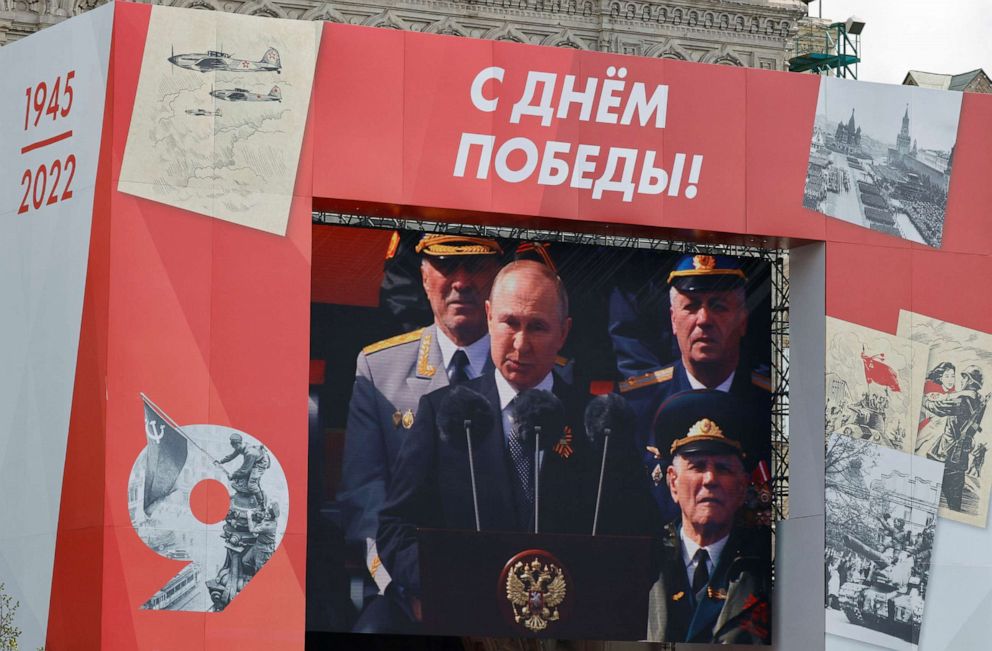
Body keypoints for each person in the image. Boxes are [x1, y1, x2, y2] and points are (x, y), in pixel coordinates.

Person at [376, 260, 655, 630]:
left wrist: (595, 599)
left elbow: (644, 537)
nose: (521, 344)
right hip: (468, 621)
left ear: (563, 333)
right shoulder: (442, 411)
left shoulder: (597, 425)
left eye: (537, 327)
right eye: (510, 323)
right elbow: (396, 527)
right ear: (489, 317)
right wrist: (442, 585)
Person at [336, 233, 503, 586]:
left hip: (505, 576)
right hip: (409, 575)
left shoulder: (535, 368)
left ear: (497, 274)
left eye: (475, 266)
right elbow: (365, 493)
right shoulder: (379, 369)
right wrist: (394, 578)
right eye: (444, 266)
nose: (461, 282)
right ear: (424, 276)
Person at [617, 254, 771, 522]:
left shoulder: (774, 406)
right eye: (691, 306)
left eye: (719, 306)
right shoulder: (635, 406)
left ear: (743, 320)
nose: (704, 319)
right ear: (673, 320)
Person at [645, 390, 772, 644]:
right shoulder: (643, 561)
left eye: (723, 468)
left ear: (742, 487)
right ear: (673, 482)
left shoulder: (769, 569)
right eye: (698, 466)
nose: (710, 479)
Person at [215, 433, 269, 509]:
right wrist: (221, 462)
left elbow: (244, 471)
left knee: (252, 484)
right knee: (243, 479)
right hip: (254, 460)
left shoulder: (249, 453)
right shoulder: (241, 446)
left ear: (237, 444)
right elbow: (232, 456)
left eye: (234, 447)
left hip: (260, 463)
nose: (234, 449)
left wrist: (233, 475)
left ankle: (261, 504)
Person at [915, 362, 956, 458]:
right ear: (941, 378)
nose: (950, 380)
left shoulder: (952, 393)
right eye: (947, 376)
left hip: (939, 432)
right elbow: (940, 399)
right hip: (928, 427)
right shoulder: (933, 391)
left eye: (953, 376)